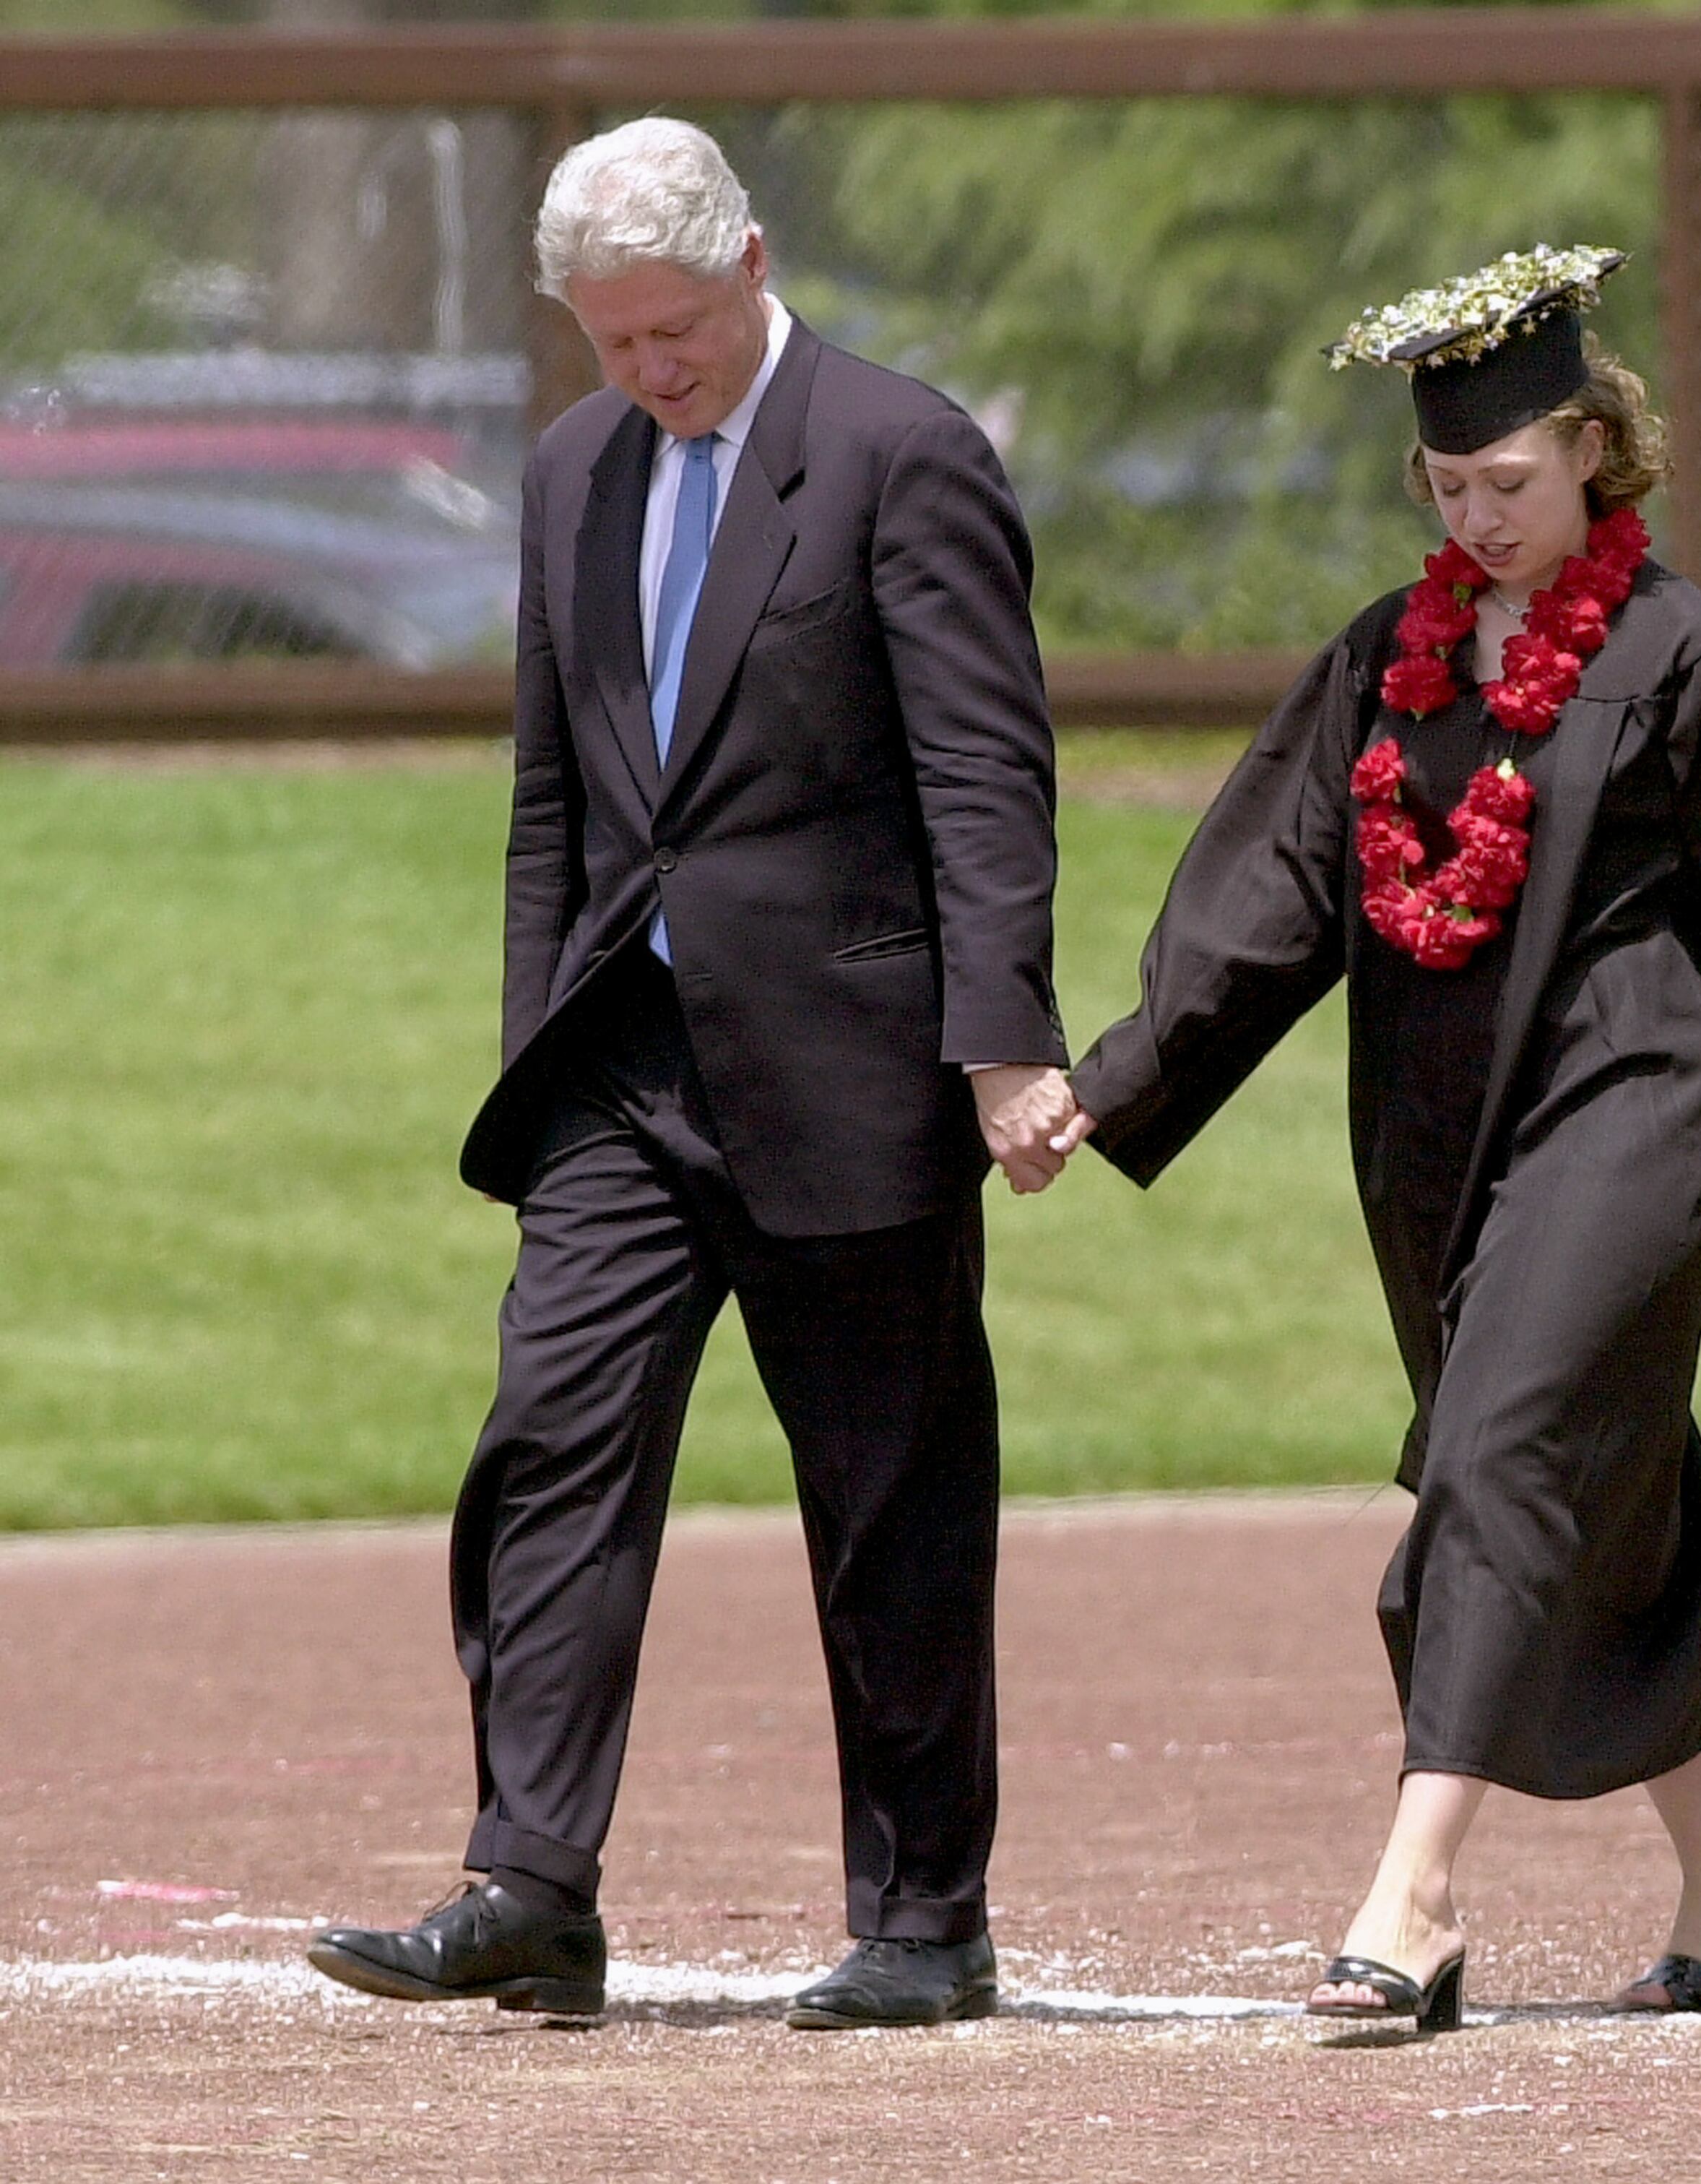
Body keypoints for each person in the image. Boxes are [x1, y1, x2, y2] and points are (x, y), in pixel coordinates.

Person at [1041, 249, 1701, 2029]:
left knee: (1501, 1441)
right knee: (1590, 1476)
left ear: (1597, 455)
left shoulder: (1688, 660)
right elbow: (1272, 894)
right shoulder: (1384, 672)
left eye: (1517, 483)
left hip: (1650, 1094)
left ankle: (1416, 1896)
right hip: (1443, 1126)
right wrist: (1114, 1077)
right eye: (1453, 487)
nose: (1483, 517)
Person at [308, 118, 1078, 2030]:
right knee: (545, 1451)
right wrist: (533, 1055)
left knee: (889, 1497)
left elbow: (988, 780)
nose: (647, 370)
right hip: (619, 1067)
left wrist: (1001, 1048)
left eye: (671, 330)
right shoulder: (575, 470)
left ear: (749, 264)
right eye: (608, 339)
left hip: (854, 1065)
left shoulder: (903, 453)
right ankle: (531, 1881)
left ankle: (925, 1920)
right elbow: (555, 805)